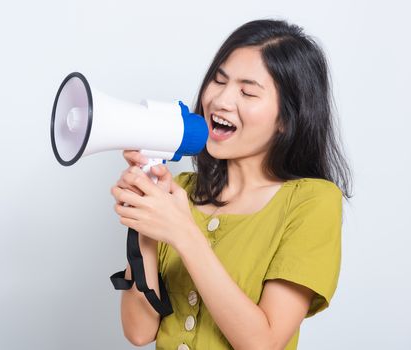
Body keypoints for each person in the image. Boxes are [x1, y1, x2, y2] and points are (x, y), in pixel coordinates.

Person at [109, 19, 353, 350]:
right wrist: (148, 226)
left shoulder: (312, 202)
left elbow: (263, 344)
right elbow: (138, 332)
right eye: (218, 80)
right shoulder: (180, 189)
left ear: (286, 118)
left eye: (247, 91)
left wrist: (183, 232)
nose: (221, 100)